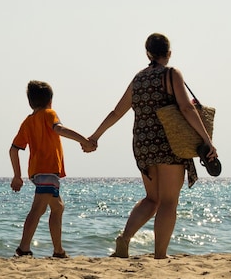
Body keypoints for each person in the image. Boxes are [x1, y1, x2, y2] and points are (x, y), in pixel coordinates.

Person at [88, 33, 218, 259]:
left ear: (147, 53)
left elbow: (117, 111)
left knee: (152, 199)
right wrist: (207, 140)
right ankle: (160, 254)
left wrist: (95, 136)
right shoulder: (171, 74)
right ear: (168, 53)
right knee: (168, 201)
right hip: (169, 143)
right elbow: (186, 109)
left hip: (143, 145)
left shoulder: (138, 78)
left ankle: (125, 238)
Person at [10, 80, 96, 258]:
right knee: (38, 210)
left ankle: (58, 250)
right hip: (48, 170)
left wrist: (17, 176)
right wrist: (84, 141)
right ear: (50, 100)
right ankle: (23, 248)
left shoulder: (28, 121)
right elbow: (60, 129)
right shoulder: (49, 114)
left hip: (37, 172)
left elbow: (13, 149)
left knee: (58, 208)